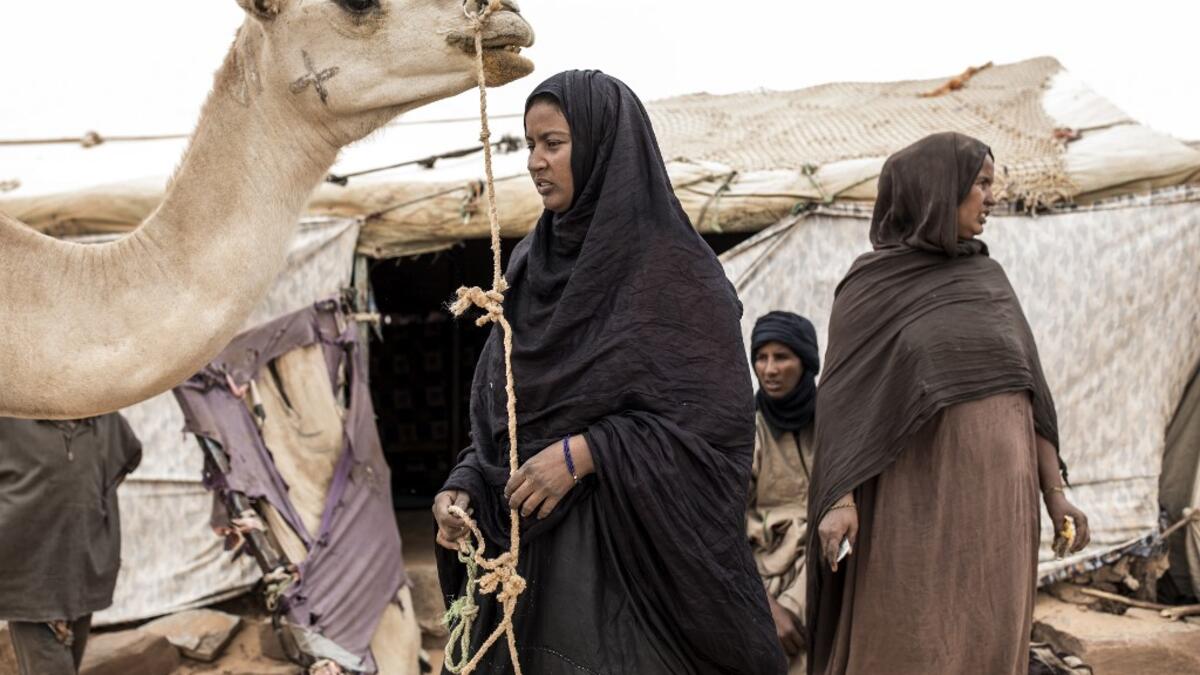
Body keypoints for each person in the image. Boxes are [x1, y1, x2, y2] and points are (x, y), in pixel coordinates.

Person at [432, 70, 787, 674]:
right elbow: (506, 410)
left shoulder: (678, 275)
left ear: (602, 147)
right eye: (529, 145)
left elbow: (715, 431)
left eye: (554, 143)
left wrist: (588, 453)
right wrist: (466, 481)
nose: (536, 163)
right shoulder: (528, 263)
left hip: (630, 576)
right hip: (526, 563)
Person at [804, 132, 1092, 675]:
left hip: (1001, 510)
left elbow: (1030, 392)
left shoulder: (990, 281)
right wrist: (839, 500)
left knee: (989, 635)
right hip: (915, 508)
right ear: (935, 191)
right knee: (911, 635)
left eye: (991, 183)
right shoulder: (871, 288)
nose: (992, 197)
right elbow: (843, 401)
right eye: (980, 183)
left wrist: (1055, 493)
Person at [0, 414, 142, 675]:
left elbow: (127, 456)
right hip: (27, 574)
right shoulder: (9, 414)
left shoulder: (104, 418)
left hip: (82, 567)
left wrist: (92, 504)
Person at [746, 311, 821, 673]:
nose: (769, 369)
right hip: (764, 580)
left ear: (805, 362)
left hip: (826, 572)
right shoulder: (746, 430)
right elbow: (721, 529)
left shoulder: (832, 423)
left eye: (782, 357)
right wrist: (769, 609)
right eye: (761, 357)